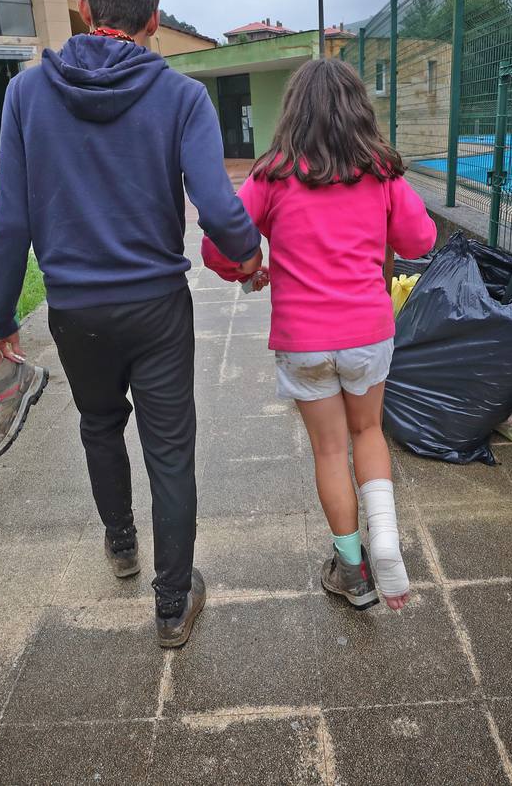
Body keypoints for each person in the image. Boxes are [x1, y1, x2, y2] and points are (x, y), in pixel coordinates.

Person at [0, 0, 262, 648]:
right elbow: (219, 207)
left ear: (85, 7)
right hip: (158, 304)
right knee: (170, 450)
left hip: (76, 311)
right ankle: (172, 607)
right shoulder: (180, 95)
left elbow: (9, 221)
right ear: (155, 19)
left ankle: (120, 546)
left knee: (99, 424)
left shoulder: (25, 95)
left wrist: (0, 317)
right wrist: (251, 256)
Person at [203, 58, 436, 611]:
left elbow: (218, 246)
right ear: (359, 111)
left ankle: (353, 571)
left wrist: (249, 267)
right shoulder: (382, 174)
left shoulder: (271, 175)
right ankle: (386, 539)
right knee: (368, 433)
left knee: (330, 449)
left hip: (303, 339)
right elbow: (420, 239)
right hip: (367, 331)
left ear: (292, 114)